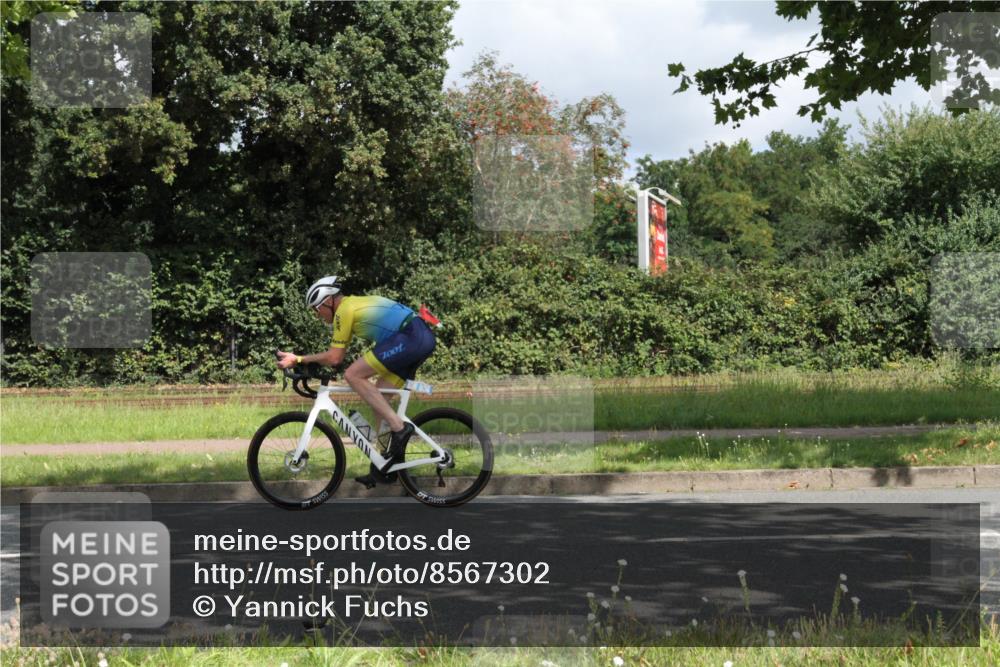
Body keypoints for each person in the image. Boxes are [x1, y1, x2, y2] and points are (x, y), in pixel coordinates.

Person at [276, 275, 436, 488]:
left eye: (316, 309)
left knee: (353, 375)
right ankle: (383, 464)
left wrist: (299, 359)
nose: (317, 315)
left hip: (411, 337)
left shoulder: (344, 310)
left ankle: (400, 428)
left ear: (327, 301)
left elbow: (335, 358)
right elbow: (336, 356)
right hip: (416, 336)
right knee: (380, 399)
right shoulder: (351, 306)